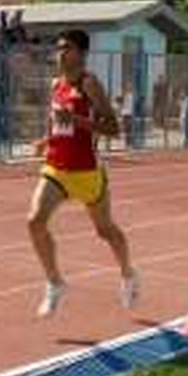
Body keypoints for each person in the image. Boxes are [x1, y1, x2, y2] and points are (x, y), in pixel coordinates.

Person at [29, 29, 139, 318]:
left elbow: (114, 128)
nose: (59, 53)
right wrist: (45, 140)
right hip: (57, 167)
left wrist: (77, 120)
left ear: (81, 53)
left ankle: (128, 274)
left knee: (105, 231)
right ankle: (55, 283)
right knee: (35, 221)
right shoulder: (56, 84)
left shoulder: (90, 83)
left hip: (87, 172)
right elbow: (54, 120)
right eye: (58, 48)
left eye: (66, 48)